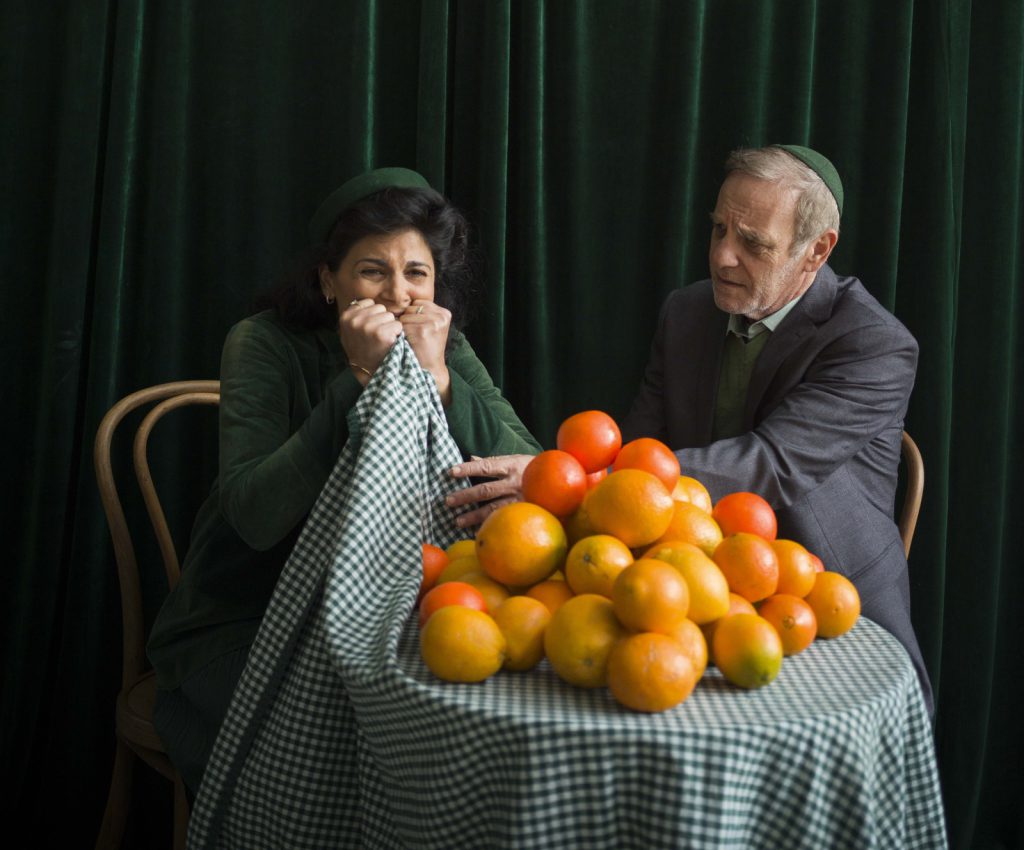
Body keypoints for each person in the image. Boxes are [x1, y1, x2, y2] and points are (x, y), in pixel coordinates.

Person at [147, 167, 541, 796]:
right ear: (329, 280)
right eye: (371, 270)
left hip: (396, 613)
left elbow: (530, 467)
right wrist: (355, 382)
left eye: (416, 272)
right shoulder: (263, 344)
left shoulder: (444, 344)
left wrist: (441, 380)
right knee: (335, 750)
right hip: (247, 615)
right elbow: (252, 515)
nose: (396, 295)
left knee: (450, 745)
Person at [619, 144, 934, 716]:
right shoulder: (685, 313)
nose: (722, 257)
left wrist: (589, 476)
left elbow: (772, 464)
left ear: (817, 251)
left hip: (834, 605)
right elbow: (643, 446)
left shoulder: (875, 343)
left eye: (752, 243)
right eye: (718, 230)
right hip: (688, 592)